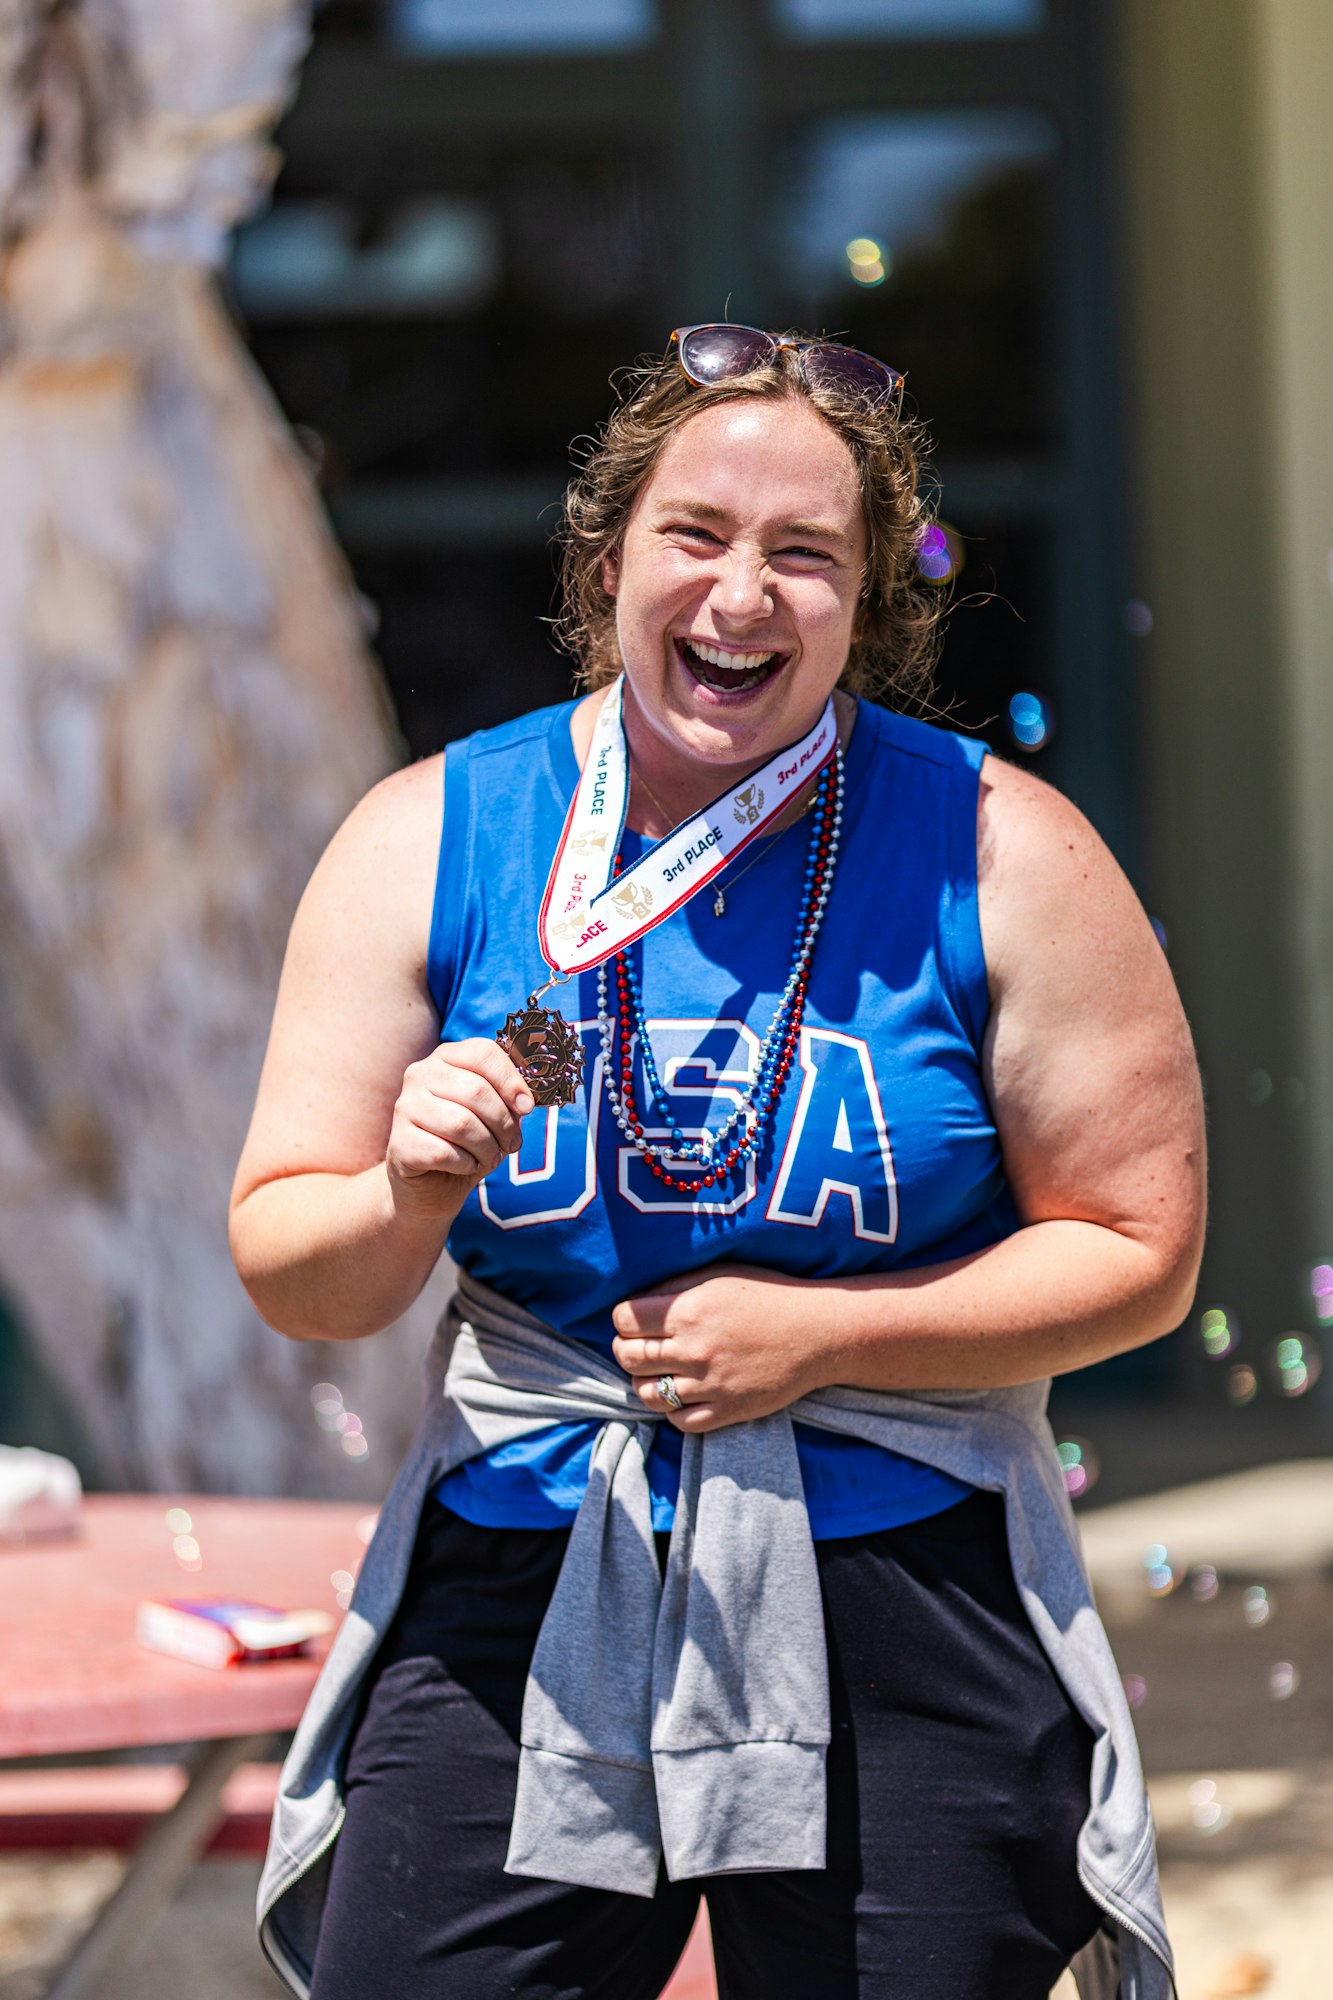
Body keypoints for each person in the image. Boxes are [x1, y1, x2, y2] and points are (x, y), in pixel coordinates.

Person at [232, 323, 1205, 2000]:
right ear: (609, 557)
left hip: (902, 1575)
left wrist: (828, 1338)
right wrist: (405, 1195)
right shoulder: (432, 835)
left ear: (870, 601)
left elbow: (1139, 1248)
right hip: (523, 1562)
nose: (740, 593)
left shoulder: (1004, 849)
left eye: (803, 555)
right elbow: (297, 1271)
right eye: (694, 535)